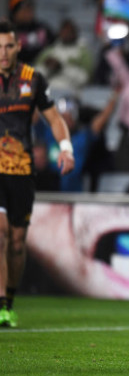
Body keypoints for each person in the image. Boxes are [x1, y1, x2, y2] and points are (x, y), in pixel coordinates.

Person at [0, 20, 75, 327]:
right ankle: (2, 303)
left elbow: (54, 119)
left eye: (7, 46)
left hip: (21, 171)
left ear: (18, 47)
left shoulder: (33, 79)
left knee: (18, 242)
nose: (2, 53)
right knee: (0, 233)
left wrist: (66, 148)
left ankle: (11, 299)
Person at [33, 92, 118, 192]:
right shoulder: (49, 133)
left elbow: (98, 124)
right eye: (63, 117)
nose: (66, 120)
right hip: (49, 190)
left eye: (69, 117)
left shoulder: (81, 138)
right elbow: (34, 116)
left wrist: (114, 98)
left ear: (75, 117)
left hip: (73, 195)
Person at [34, 18, 94, 93]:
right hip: (49, 90)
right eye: (64, 31)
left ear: (75, 33)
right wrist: (47, 67)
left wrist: (62, 68)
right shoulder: (49, 51)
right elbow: (36, 76)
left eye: (70, 32)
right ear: (59, 33)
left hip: (72, 91)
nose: (66, 34)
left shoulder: (83, 53)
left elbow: (84, 79)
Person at [7, 0, 55, 65]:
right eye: (23, 10)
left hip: (41, 67)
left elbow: (56, 46)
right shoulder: (6, 30)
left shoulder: (42, 28)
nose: (27, 13)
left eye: (29, 9)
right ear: (14, 13)